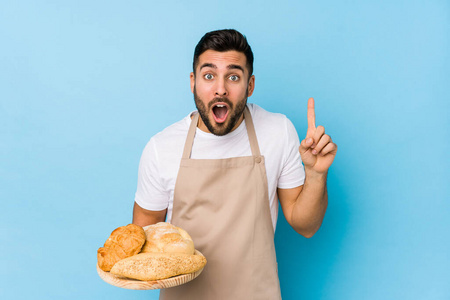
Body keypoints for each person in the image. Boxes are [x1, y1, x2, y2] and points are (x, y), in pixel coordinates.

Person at [132, 29, 337, 300]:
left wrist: (315, 174)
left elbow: (306, 225)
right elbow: (142, 239)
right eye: (208, 76)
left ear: (250, 85)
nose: (220, 88)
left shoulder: (277, 131)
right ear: (193, 82)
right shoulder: (162, 148)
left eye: (233, 76)